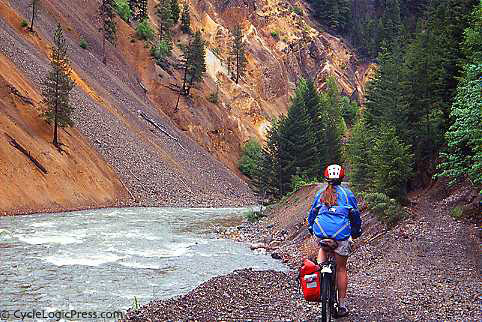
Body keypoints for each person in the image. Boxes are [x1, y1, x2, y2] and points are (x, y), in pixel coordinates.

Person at [307, 164, 362, 317]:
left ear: (326, 179)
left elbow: (312, 213)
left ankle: (319, 274)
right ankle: (342, 305)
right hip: (341, 234)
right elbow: (355, 216)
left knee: (322, 248)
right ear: (342, 178)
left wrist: (311, 228)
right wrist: (356, 231)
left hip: (321, 232)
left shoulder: (320, 193)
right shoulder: (347, 194)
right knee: (341, 269)